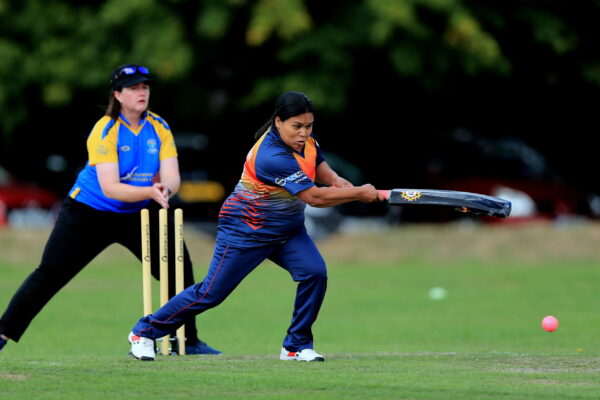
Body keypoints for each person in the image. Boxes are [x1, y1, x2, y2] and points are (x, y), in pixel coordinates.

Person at [128, 91, 383, 362]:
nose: (303, 133)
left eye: (309, 126)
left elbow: (317, 161)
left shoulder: (305, 141)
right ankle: (143, 332)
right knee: (211, 293)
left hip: (287, 230)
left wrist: (336, 179)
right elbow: (313, 198)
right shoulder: (271, 156)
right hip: (246, 229)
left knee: (314, 273)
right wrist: (357, 193)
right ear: (278, 122)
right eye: (297, 126)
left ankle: (295, 345)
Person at [0, 64, 220, 355]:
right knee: (50, 273)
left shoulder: (159, 126)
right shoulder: (105, 130)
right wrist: (150, 190)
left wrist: (165, 188)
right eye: (133, 88)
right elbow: (111, 188)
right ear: (118, 95)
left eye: (145, 87)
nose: (142, 93)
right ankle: (3, 333)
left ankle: (187, 341)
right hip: (89, 212)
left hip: (139, 212)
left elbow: (172, 177)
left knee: (179, 271)